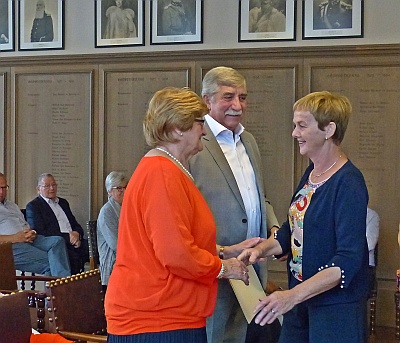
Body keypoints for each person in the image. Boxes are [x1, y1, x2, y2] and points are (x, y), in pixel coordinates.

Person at [105, 87, 249, 343]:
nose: (204, 131)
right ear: (176, 128)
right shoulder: (161, 173)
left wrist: (225, 250)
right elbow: (176, 254)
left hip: (166, 317)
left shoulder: (169, 169)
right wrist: (225, 268)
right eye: (199, 123)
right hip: (156, 320)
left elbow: (178, 240)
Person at [238, 91, 369, 343]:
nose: (294, 133)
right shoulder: (312, 172)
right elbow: (293, 230)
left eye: (302, 126)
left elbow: (347, 261)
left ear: (329, 129)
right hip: (301, 303)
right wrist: (261, 249)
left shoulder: (349, 183)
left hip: (335, 310)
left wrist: (292, 295)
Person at [188, 66, 281, 343]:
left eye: (243, 97)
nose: (237, 105)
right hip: (214, 268)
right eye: (228, 97)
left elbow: (259, 197)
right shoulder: (193, 142)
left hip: (253, 266)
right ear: (207, 100)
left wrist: (275, 229)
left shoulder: (248, 141)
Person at [0, 172, 70, 277]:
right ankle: (63, 290)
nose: (2, 191)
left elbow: (24, 224)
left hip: (30, 239)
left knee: (58, 241)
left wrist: (32, 232)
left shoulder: (11, 205)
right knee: (53, 262)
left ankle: (59, 289)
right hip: (10, 247)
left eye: (4, 187)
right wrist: (15, 238)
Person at [26, 173, 89, 275]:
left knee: (96, 250)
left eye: (54, 185)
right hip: (57, 245)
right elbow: (40, 232)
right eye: (47, 186)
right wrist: (68, 238)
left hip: (75, 241)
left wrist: (77, 234)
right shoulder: (34, 206)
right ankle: (70, 289)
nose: (52, 188)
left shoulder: (63, 202)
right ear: (38, 189)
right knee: (72, 258)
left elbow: (75, 224)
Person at [97, 171, 128, 292]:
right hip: (112, 258)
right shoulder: (107, 211)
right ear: (109, 191)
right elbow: (115, 244)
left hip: (125, 253)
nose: (124, 191)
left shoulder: (125, 207)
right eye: (119, 188)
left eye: (126, 187)